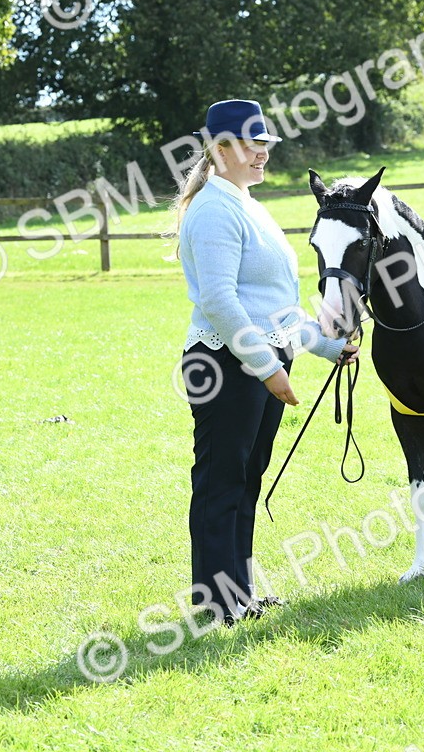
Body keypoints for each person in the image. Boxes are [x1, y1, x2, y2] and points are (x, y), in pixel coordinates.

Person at [174, 99, 359, 626]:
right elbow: (220, 301)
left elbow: (275, 306)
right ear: (221, 148)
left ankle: (240, 593)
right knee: (221, 480)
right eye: (253, 145)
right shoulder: (214, 210)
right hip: (224, 363)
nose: (262, 154)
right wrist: (268, 368)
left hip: (255, 361)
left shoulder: (247, 203)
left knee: (247, 476)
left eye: (265, 145)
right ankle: (214, 604)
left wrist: (327, 346)